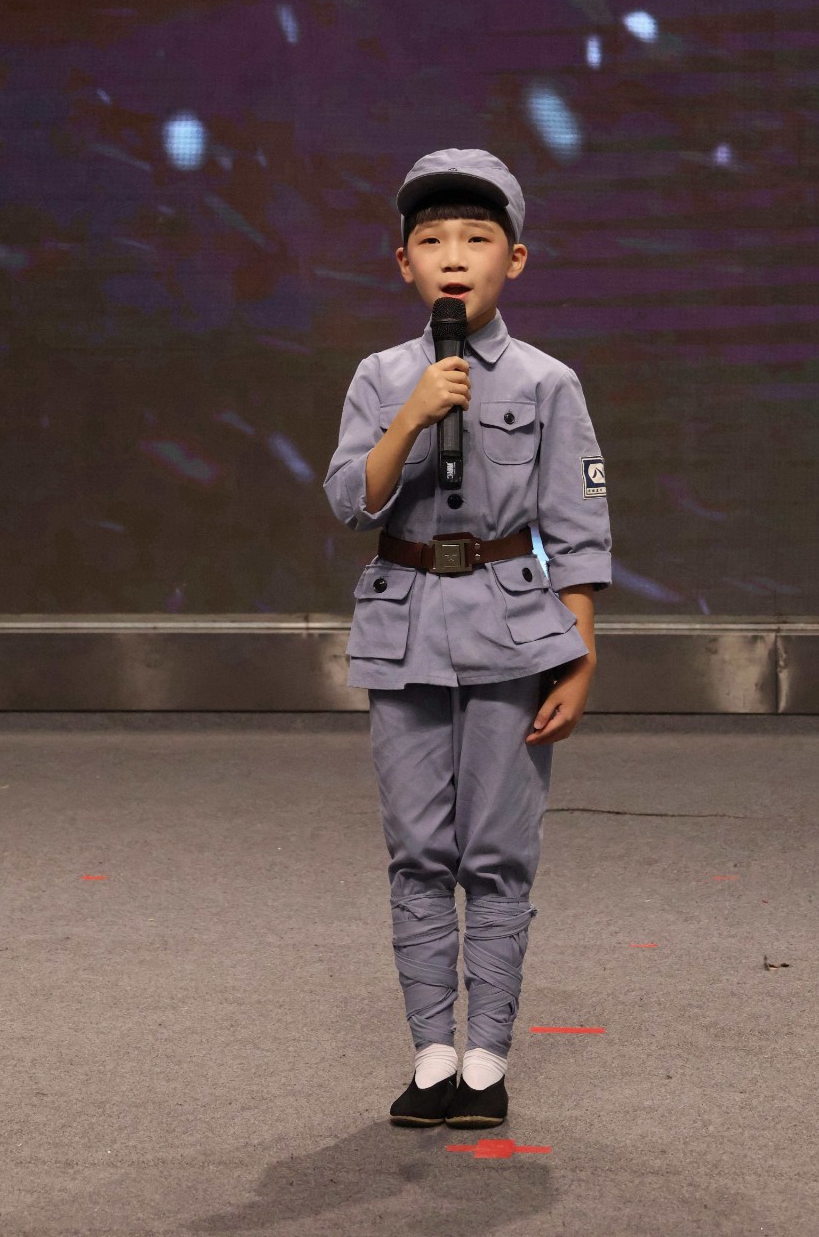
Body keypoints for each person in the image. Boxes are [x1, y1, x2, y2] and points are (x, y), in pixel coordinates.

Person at [323, 147, 612, 1130]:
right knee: (417, 850)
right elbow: (349, 500)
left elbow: (577, 528)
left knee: (496, 853)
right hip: (403, 624)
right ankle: (431, 1053)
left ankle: (485, 1058)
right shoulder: (381, 376)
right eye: (433, 240)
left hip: (513, 628)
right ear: (402, 262)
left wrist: (578, 654)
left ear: (514, 260)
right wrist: (410, 417)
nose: (454, 256)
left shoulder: (547, 381)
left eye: (477, 239)